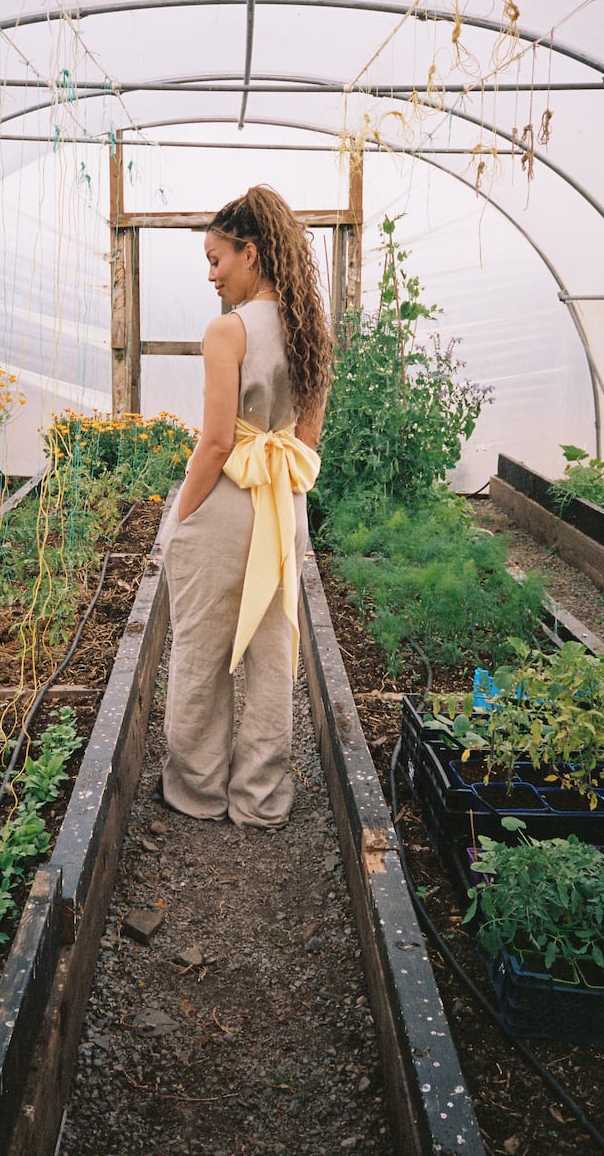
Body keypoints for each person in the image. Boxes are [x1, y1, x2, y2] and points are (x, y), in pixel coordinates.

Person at [159, 185, 332, 828]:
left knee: (201, 647)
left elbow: (215, 441)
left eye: (216, 259)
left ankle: (198, 792)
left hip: (228, 505)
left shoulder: (228, 330)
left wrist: (181, 517)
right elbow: (306, 439)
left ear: (250, 253)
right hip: (283, 503)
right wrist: (282, 490)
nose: (210, 274)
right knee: (270, 650)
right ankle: (260, 799)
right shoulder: (310, 326)